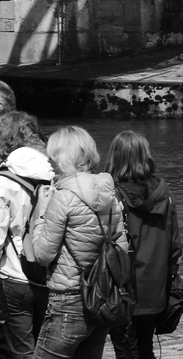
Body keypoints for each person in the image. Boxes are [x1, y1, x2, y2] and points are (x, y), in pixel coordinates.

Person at [26, 126, 129, 359]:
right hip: (102, 294)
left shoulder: (63, 197)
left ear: (65, 158)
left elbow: (42, 255)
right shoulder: (110, 194)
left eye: (53, 156)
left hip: (68, 298)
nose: (50, 162)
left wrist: (40, 213)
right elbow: (121, 248)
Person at [107, 133, 180, 359]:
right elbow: (174, 245)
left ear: (115, 156)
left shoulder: (110, 193)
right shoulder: (164, 194)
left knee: (125, 348)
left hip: (122, 285)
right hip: (154, 286)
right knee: (145, 346)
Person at [0, 147, 52, 359]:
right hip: (45, 276)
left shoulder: (4, 184)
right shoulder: (52, 181)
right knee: (43, 347)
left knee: (20, 350)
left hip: (13, 276)